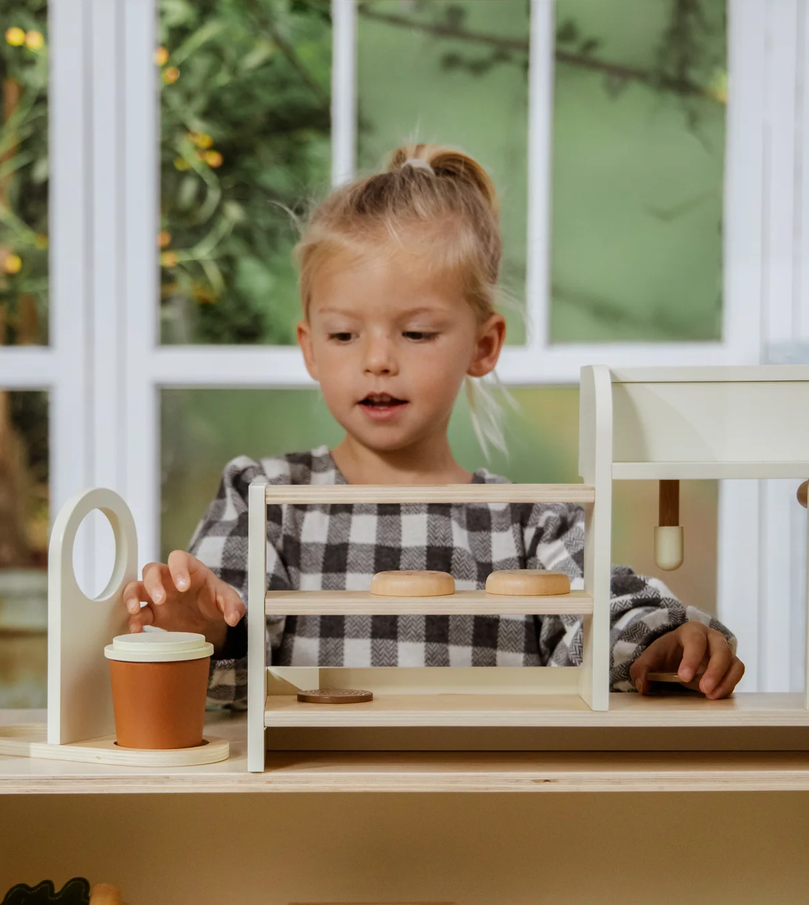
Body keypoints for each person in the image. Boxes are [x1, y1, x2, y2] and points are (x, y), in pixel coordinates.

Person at [124, 144, 743, 707]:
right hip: (314, 783)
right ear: (310, 348)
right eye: (344, 335)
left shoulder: (529, 522)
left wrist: (660, 641)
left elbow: (602, 619)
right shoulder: (264, 498)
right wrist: (199, 624)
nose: (377, 360)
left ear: (484, 345)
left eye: (416, 333)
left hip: (489, 784)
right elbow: (228, 653)